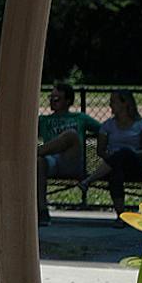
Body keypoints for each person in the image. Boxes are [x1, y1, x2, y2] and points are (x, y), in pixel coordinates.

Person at [35, 82, 101, 224]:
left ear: (68, 101)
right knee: (39, 161)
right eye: (51, 97)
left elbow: (104, 130)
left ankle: (34, 153)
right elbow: (17, 125)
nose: (52, 101)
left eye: (57, 99)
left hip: (71, 161)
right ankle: (42, 211)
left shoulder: (79, 118)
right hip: (51, 162)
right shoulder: (44, 120)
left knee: (71, 134)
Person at [88, 88, 142, 213]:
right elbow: (100, 151)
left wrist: (129, 154)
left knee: (124, 152)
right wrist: (115, 157)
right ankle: (121, 215)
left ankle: (89, 180)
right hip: (113, 167)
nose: (110, 105)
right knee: (116, 171)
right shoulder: (107, 125)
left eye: (113, 101)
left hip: (135, 167)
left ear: (125, 103)